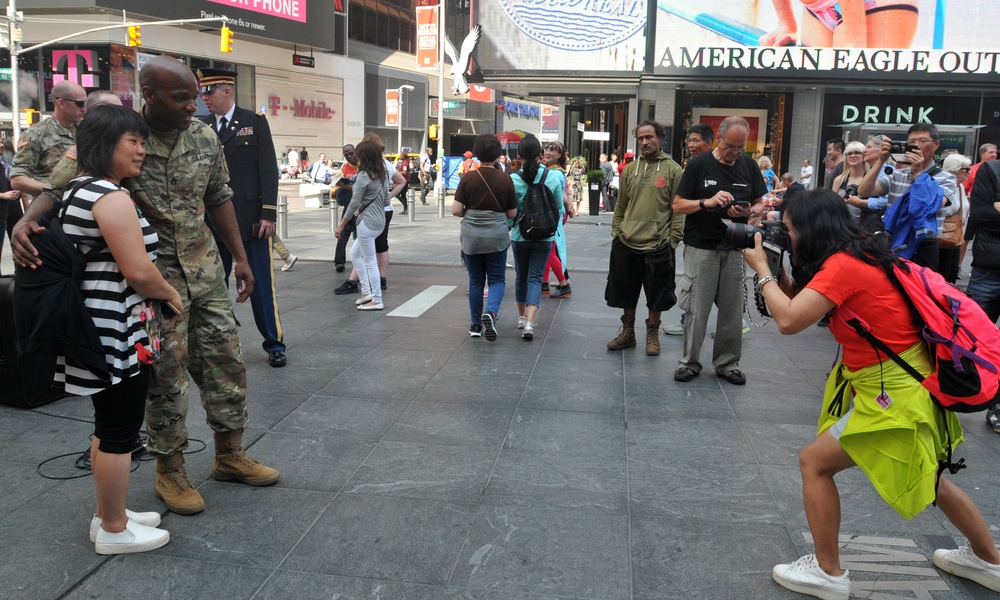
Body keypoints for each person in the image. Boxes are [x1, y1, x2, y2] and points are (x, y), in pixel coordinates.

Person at [13, 55, 280, 515]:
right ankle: (170, 469)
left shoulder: (203, 135)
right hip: (151, 284)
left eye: (194, 97)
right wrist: (24, 224)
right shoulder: (119, 135)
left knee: (226, 365)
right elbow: (58, 186)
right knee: (165, 378)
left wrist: (239, 257)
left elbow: (219, 197)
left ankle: (230, 454)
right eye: (180, 98)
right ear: (148, 95)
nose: (191, 106)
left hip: (206, 273)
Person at [742, 189, 1000, 599]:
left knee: (815, 464)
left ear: (810, 228)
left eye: (788, 229)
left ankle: (828, 572)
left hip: (893, 395)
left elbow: (790, 321)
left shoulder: (844, 266)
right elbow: (805, 304)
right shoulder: (857, 251)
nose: (787, 235)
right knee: (930, 478)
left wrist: (762, 271)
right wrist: (777, 267)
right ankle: (988, 561)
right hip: (904, 384)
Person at [50, 104, 181, 554]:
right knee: (119, 430)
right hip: (115, 332)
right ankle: (113, 528)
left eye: (143, 141)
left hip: (107, 325)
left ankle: (112, 513)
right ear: (105, 144)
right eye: (134, 141)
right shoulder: (109, 196)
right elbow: (139, 271)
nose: (142, 150)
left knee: (109, 425)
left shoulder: (81, 190)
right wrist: (170, 293)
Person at [198, 67, 288, 368]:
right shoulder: (201, 125)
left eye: (209, 92)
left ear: (227, 91)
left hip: (250, 220)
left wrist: (268, 213)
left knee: (261, 285)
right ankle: (214, 342)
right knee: (211, 285)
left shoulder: (254, 122)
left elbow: (267, 170)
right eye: (202, 92)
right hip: (212, 223)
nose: (204, 98)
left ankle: (274, 343)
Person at [672, 115, 767, 386]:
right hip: (702, 245)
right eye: (730, 146)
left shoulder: (748, 166)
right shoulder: (699, 164)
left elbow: (761, 202)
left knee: (731, 309)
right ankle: (689, 363)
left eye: (740, 147)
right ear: (718, 138)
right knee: (696, 308)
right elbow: (678, 205)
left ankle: (727, 364)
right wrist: (706, 202)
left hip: (736, 246)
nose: (734, 152)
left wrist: (751, 211)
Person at [605, 121, 682, 356]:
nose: (644, 142)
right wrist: (617, 231)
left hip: (658, 245)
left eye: (649, 137)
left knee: (656, 292)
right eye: (640, 138)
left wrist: (673, 240)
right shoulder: (629, 169)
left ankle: (652, 335)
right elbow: (621, 206)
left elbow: (677, 209)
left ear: (660, 138)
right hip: (626, 241)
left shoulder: (673, 170)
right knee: (626, 290)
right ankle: (628, 333)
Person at [858, 126, 956, 273]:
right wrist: (881, 160)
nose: (916, 145)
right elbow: (864, 190)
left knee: (919, 291)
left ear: (936, 144)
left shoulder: (946, 178)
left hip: (923, 246)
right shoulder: (898, 174)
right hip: (893, 240)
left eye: (922, 141)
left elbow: (931, 207)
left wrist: (918, 173)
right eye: (911, 141)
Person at [452, 134, 518, 340]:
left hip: (472, 236)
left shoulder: (468, 178)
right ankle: (491, 312)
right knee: (497, 280)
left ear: (477, 154)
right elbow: (512, 213)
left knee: (476, 281)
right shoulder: (505, 178)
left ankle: (475, 324)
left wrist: (471, 213)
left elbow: (456, 210)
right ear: (498, 154)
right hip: (496, 236)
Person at [510, 136, 565, 340]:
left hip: (520, 235)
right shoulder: (551, 176)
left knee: (521, 277)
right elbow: (559, 205)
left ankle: (521, 317)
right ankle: (530, 324)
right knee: (535, 278)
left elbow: (511, 211)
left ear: (520, 155)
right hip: (544, 236)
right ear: (539, 154)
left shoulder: (513, 178)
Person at [664, 123, 714, 337]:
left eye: (696, 141)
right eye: (689, 141)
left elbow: (680, 203)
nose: (691, 145)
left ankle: (688, 321)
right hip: (696, 234)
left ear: (709, 143)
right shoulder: (693, 165)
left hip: (708, 236)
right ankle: (735, 319)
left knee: (693, 282)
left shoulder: (709, 166)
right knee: (700, 283)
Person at [334, 139, 387, 311]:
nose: (354, 156)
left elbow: (354, 202)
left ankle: (377, 298)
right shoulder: (381, 173)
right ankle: (366, 292)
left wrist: (341, 225)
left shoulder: (363, 176)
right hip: (379, 222)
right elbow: (386, 200)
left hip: (367, 223)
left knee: (370, 262)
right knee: (355, 254)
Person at [9, 80, 86, 198]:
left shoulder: (86, 131)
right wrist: (55, 191)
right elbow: (17, 179)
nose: (84, 109)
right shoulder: (35, 134)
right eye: (80, 104)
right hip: (51, 207)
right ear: (61, 103)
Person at [761, 0, 919, 48]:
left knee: (863, 84)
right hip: (817, 7)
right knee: (819, 86)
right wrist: (786, 22)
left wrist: (854, 40)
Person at [540, 141, 574, 298]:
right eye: (546, 149)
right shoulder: (553, 171)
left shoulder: (555, 173)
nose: (548, 152)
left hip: (551, 217)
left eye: (552, 150)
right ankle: (544, 283)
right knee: (548, 251)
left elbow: (560, 197)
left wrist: (568, 208)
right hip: (552, 216)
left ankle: (563, 284)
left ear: (559, 155)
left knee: (550, 251)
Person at [938, 154, 971, 284]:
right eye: (966, 169)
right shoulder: (944, 185)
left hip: (956, 236)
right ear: (954, 170)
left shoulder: (961, 187)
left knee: (951, 275)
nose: (969, 172)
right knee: (942, 274)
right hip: (943, 235)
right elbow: (945, 210)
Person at [332, 144, 359, 276]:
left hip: (363, 205)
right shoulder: (345, 168)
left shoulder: (364, 165)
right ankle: (339, 261)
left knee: (362, 234)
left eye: (351, 154)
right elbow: (336, 180)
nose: (349, 157)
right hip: (350, 204)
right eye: (346, 155)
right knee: (343, 231)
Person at [831, 141, 867, 223]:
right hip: (842, 226)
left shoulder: (870, 180)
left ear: (864, 155)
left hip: (863, 227)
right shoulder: (838, 180)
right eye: (849, 153)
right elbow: (832, 206)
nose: (853, 156)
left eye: (857, 153)